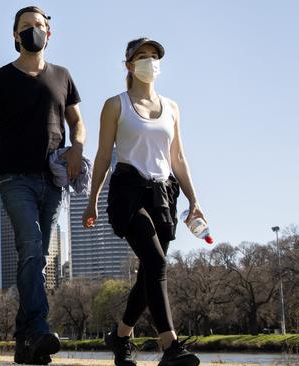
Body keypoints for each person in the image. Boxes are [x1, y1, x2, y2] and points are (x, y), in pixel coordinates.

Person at [0, 5, 86, 365]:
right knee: (32, 247)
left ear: (49, 34)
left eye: (38, 25)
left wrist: (78, 147)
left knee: (35, 257)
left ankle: (25, 342)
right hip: (13, 178)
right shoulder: (0, 79)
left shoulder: (63, 76)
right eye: (25, 26)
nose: (32, 31)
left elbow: (77, 122)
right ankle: (38, 327)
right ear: (15, 36)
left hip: (53, 179)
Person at [82, 38, 204, 366]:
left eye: (154, 56)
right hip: (127, 192)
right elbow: (104, 155)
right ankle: (171, 346)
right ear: (129, 65)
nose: (150, 61)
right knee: (157, 262)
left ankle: (120, 336)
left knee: (149, 270)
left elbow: (178, 157)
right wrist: (92, 200)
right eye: (142, 56)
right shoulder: (115, 105)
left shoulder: (173, 108)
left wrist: (194, 200)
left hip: (163, 195)